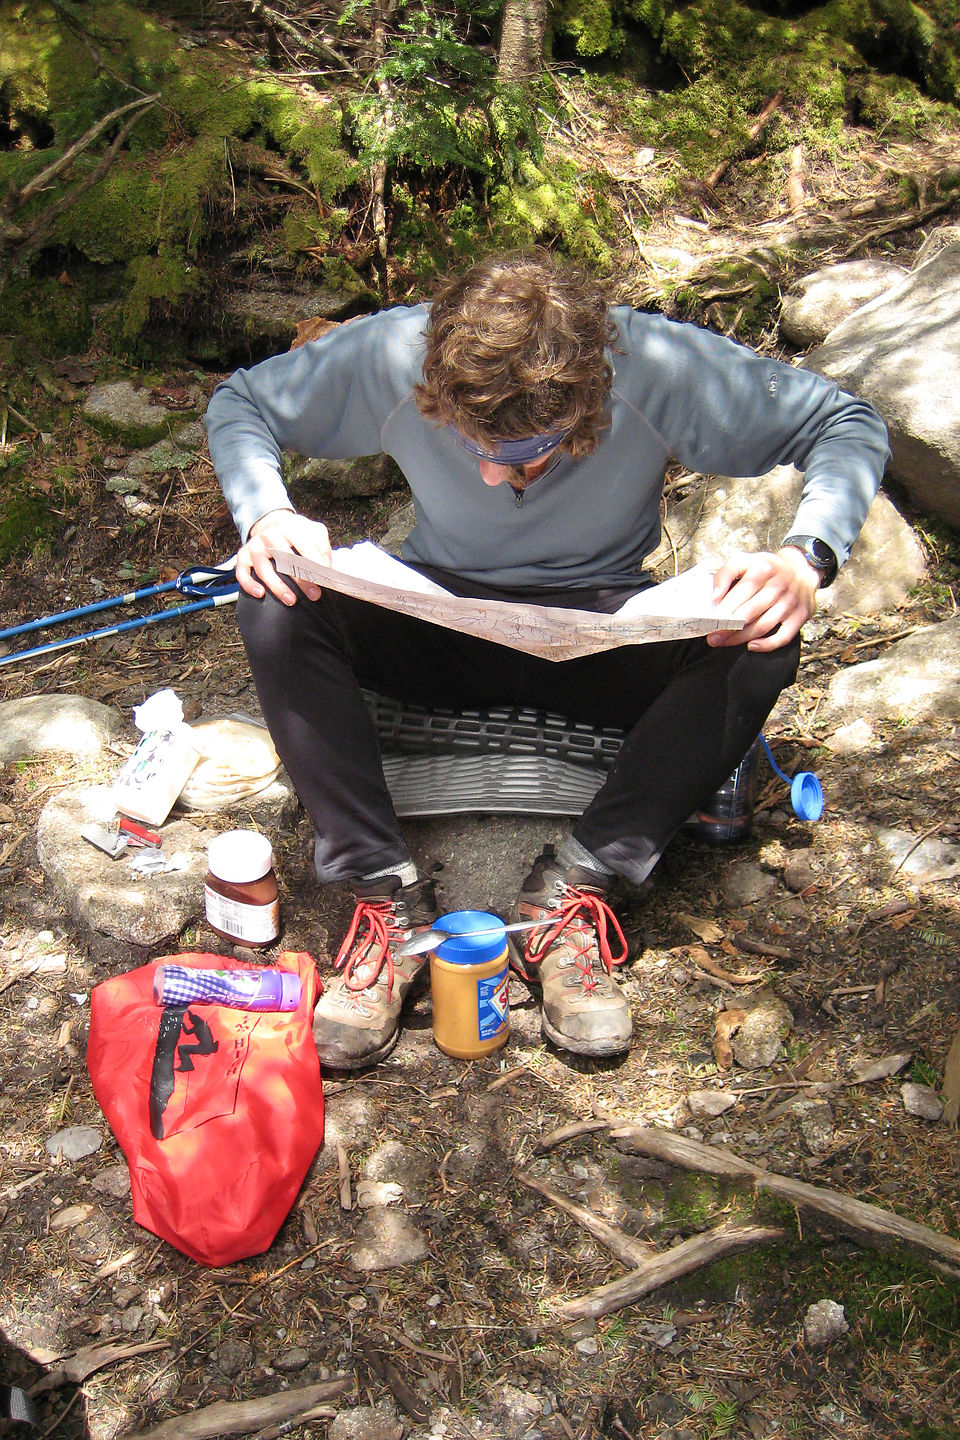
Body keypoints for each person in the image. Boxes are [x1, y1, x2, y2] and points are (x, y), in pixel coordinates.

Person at [204, 248, 889, 1069]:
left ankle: (573, 892)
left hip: (601, 631)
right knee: (273, 596)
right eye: (474, 446)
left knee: (765, 631)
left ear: (589, 400)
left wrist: (804, 558)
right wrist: (267, 514)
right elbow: (241, 401)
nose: (496, 477)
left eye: (530, 454)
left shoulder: (653, 365)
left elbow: (845, 422)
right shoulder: (397, 351)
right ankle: (387, 901)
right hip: (437, 619)